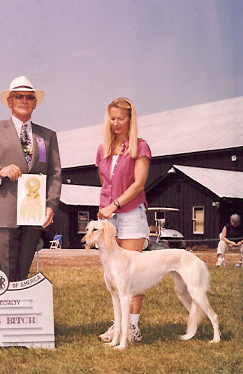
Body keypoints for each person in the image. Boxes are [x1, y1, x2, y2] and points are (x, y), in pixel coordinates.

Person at [0, 76, 61, 282]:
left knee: (21, 277)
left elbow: (55, 174)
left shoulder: (47, 136)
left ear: (35, 103)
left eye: (29, 97)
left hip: (33, 215)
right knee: (2, 276)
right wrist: (0, 171)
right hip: (2, 215)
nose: (24, 100)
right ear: (9, 102)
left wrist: (50, 205)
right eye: (18, 96)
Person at [95, 97, 151, 343]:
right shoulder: (103, 149)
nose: (116, 123)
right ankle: (118, 325)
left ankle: (133, 327)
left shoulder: (140, 146)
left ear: (130, 119)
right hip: (108, 217)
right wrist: (106, 209)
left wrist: (115, 205)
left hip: (130, 214)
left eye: (121, 118)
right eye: (112, 118)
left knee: (132, 272)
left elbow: (138, 184)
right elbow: (105, 182)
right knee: (113, 274)